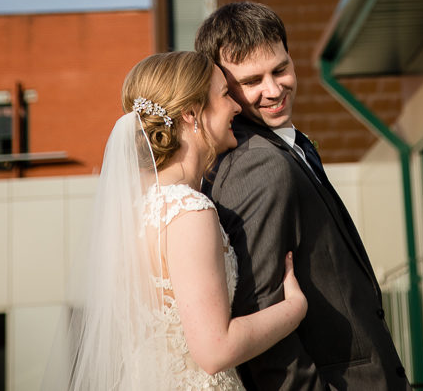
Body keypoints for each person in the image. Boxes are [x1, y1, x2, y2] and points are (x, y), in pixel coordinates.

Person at [46, 51, 307, 391]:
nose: (237, 107)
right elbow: (214, 350)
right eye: (225, 94)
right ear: (191, 114)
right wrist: (294, 309)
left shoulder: (137, 213)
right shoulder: (188, 211)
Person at [195, 2, 411, 391]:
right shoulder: (256, 165)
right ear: (223, 87)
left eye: (280, 69)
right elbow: (258, 311)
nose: (274, 90)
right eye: (252, 81)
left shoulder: (287, 148)